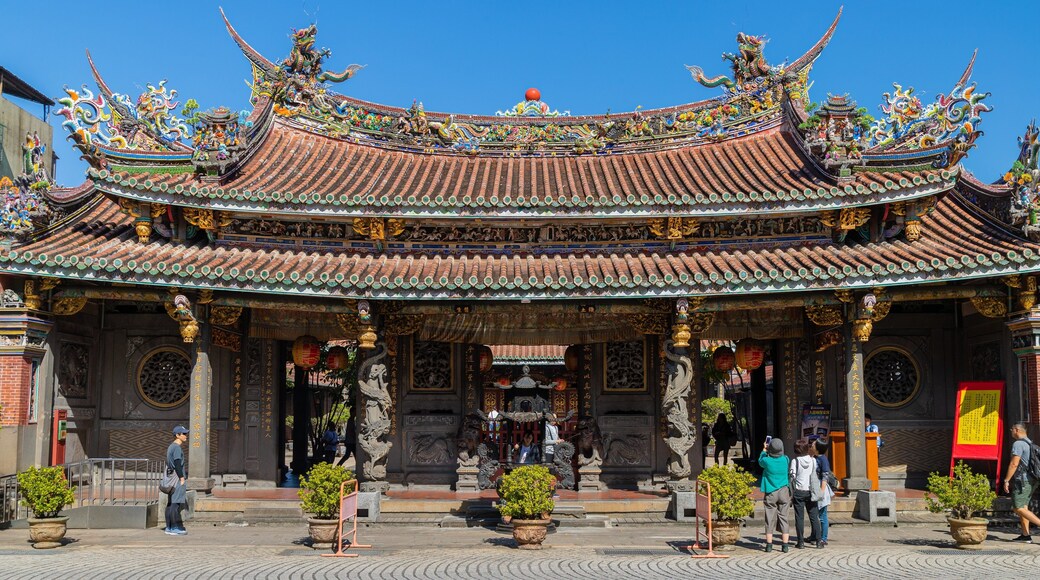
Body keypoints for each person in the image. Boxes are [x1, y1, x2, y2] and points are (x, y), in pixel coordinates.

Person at [1004, 423, 1040, 542]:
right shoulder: (1030, 443)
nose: (1011, 431)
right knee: (1024, 506)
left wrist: (1006, 480)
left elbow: (1014, 464)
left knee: (1017, 507)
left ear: (1016, 430)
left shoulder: (1018, 444)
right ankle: (1025, 535)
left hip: (1023, 481)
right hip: (1033, 479)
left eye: (1012, 429)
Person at [789, 438, 823, 549]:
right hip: (810, 491)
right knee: (814, 516)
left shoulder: (795, 461)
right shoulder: (813, 460)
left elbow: (792, 477)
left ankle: (800, 542)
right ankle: (819, 541)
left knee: (799, 517)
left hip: (799, 491)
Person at [759, 438, 791, 553]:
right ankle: (785, 545)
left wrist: (764, 450)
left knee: (769, 517)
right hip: (784, 491)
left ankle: (769, 545)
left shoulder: (766, 461)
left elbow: (760, 461)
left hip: (771, 491)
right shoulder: (786, 459)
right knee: (784, 517)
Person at [165, 426, 189, 536]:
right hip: (177, 478)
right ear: (177, 435)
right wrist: (182, 478)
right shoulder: (177, 448)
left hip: (171, 478)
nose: (186, 436)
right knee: (175, 504)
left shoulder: (171, 446)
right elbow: (178, 463)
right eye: (183, 434)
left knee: (170, 503)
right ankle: (174, 527)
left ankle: (169, 527)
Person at [810, 439, 834, 546]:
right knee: (814, 514)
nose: (812, 444)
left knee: (822, 515)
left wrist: (822, 491)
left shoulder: (823, 460)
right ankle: (814, 535)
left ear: (818, 448)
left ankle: (823, 538)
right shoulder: (815, 457)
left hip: (821, 488)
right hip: (815, 487)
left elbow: (825, 476)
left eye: (814, 444)